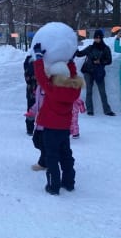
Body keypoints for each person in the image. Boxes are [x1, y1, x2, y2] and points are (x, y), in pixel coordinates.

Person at [33, 44, 84, 195]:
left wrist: (38, 58)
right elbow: (73, 75)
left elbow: (40, 75)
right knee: (66, 155)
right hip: (64, 129)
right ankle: (69, 183)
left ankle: (53, 186)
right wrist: (70, 61)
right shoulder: (74, 89)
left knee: (52, 157)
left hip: (50, 129)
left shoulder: (51, 88)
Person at [75, 30, 115, 116]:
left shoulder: (105, 48)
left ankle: (107, 110)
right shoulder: (90, 47)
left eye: (98, 37)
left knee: (102, 91)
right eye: (95, 37)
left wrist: (100, 61)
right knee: (89, 91)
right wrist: (74, 46)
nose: (96, 39)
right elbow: (79, 54)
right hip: (88, 71)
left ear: (101, 38)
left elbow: (109, 61)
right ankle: (90, 110)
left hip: (99, 72)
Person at [29, 84, 46, 171]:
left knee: (44, 144)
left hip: (48, 123)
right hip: (39, 122)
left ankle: (43, 163)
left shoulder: (50, 87)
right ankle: (51, 157)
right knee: (36, 141)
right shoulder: (39, 87)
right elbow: (37, 103)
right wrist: (32, 112)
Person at [23, 55, 36, 135]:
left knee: (30, 110)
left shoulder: (27, 67)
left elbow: (25, 65)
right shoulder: (40, 64)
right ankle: (42, 128)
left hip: (30, 92)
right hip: (39, 91)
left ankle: (30, 129)